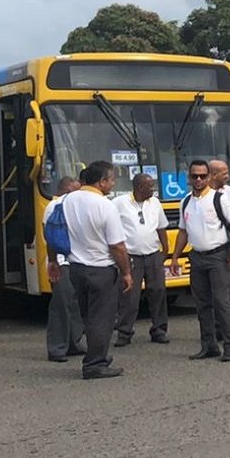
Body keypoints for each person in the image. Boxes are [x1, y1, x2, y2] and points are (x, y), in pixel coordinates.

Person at [61, 161, 133, 380]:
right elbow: (117, 246)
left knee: (88, 317)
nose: (112, 184)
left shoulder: (68, 199)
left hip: (76, 267)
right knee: (102, 319)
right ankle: (95, 364)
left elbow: (54, 228)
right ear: (102, 181)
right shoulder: (105, 205)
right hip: (101, 269)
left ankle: (95, 355)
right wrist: (127, 272)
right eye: (111, 179)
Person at [169, 159, 230, 362]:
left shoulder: (218, 199)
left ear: (209, 176)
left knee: (222, 302)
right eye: (195, 176)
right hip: (197, 257)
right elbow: (183, 231)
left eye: (203, 175)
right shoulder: (185, 201)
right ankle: (209, 345)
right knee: (202, 304)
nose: (199, 179)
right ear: (189, 178)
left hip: (218, 256)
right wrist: (175, 257)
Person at [113, 172, 170, 346]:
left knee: (158, 291)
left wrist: (165, 249)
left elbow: (161, 228)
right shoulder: (119, 203)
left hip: (153, 254)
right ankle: (124, 332)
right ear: (139, 187)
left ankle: (159, 330)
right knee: (129, 295)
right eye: (150, 186)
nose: (153, 189)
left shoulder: (155, 203)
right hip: (131, 256)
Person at [44, 176, 86, 363]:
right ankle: (57, 348)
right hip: (62, 261)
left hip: (77, 260)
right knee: (61, 304)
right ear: (66, 190)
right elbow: (50, 237)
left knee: (75, 304)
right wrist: (54, 262)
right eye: (74, 190)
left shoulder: (75, 206)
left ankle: (73, 343)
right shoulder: (54, 207)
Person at [209, 159, 230, 342]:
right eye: (224, 173)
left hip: (229, 248)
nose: (227, 176)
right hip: (211, 251)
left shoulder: (229, 192)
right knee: (214, 290)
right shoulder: (201, 194)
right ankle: (216, 327)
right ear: (213, 175)